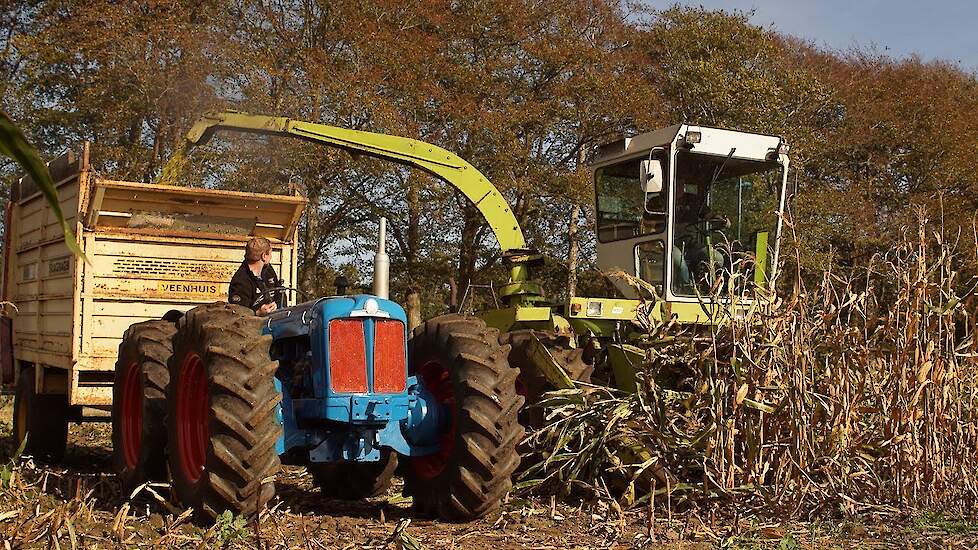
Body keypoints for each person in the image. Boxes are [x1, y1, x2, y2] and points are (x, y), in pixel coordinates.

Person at [228, 236, 281, 316]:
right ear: (264, 256)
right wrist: (258, 312)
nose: (271, 257)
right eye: (270, 253)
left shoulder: (268, 270)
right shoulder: (241, 281)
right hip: (253, 326)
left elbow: (279, 293)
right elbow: (237, 314)